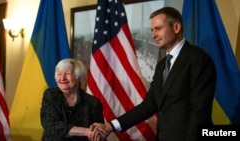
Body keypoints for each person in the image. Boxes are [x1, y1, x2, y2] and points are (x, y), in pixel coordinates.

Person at [90, 7, 217, 141]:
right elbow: (149, 105)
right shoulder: (162, 65)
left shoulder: (198, 59)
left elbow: (200, 112)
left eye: (158, 28)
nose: (153, 35)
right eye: (152, 30)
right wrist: (111, 126)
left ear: (176, 27)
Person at [40, 58, 104, 141]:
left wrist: (96, 136)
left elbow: (99, 130)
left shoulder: (93, 103)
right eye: (59, 74)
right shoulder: (50, 95)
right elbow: (51, 125)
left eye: (68, 73)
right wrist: (86, 132)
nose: (62, 78)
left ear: (78, 77)